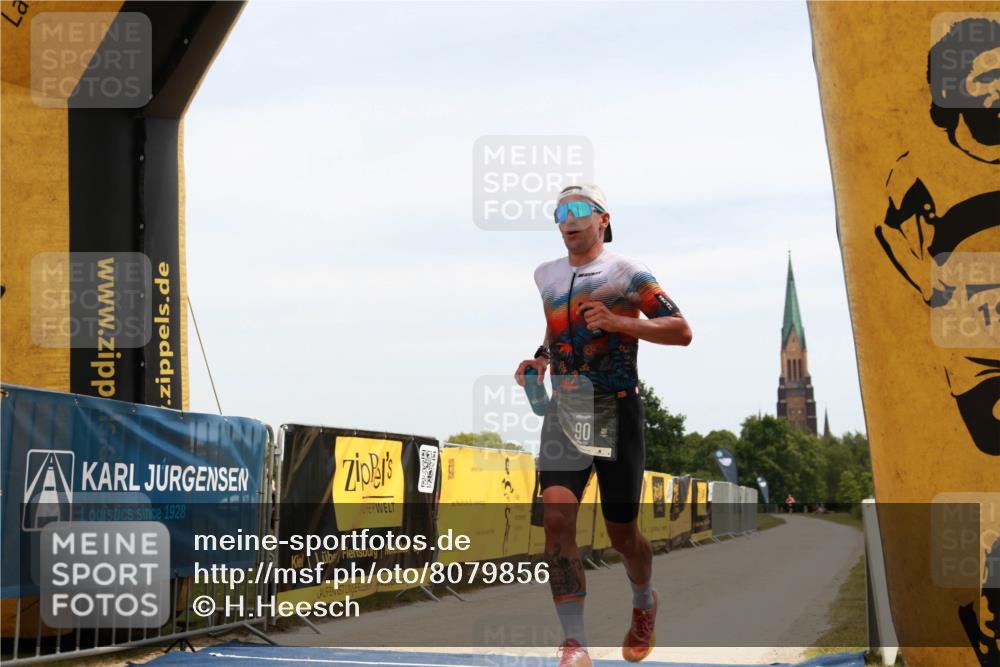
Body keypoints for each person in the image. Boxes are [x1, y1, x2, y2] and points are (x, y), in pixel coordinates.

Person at [514, 184, 692, 666]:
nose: (567, 219)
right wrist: (539, 360)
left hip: (616, 409)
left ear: (602, 219)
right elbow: (558, 327)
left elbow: (681, 330)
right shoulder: (545, 275)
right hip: (567, 411)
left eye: (577, 210)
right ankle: (574, 643)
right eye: (559, 212)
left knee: (622, 535)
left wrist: (621, 324)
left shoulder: (626, 271)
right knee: (556, 521)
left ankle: (643, 601)